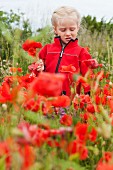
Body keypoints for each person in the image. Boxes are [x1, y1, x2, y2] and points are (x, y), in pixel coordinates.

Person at [37, 6, 92, 96]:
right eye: (63, 30)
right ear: (55, 30)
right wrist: (39, 69)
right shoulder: (47, 50)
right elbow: (37, 74)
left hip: (69, 100)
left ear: (78, 28)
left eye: (72, 29)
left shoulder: (81, 53)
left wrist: (87, 96)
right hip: (47, 98)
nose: (68, 33)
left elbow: (88, 78)